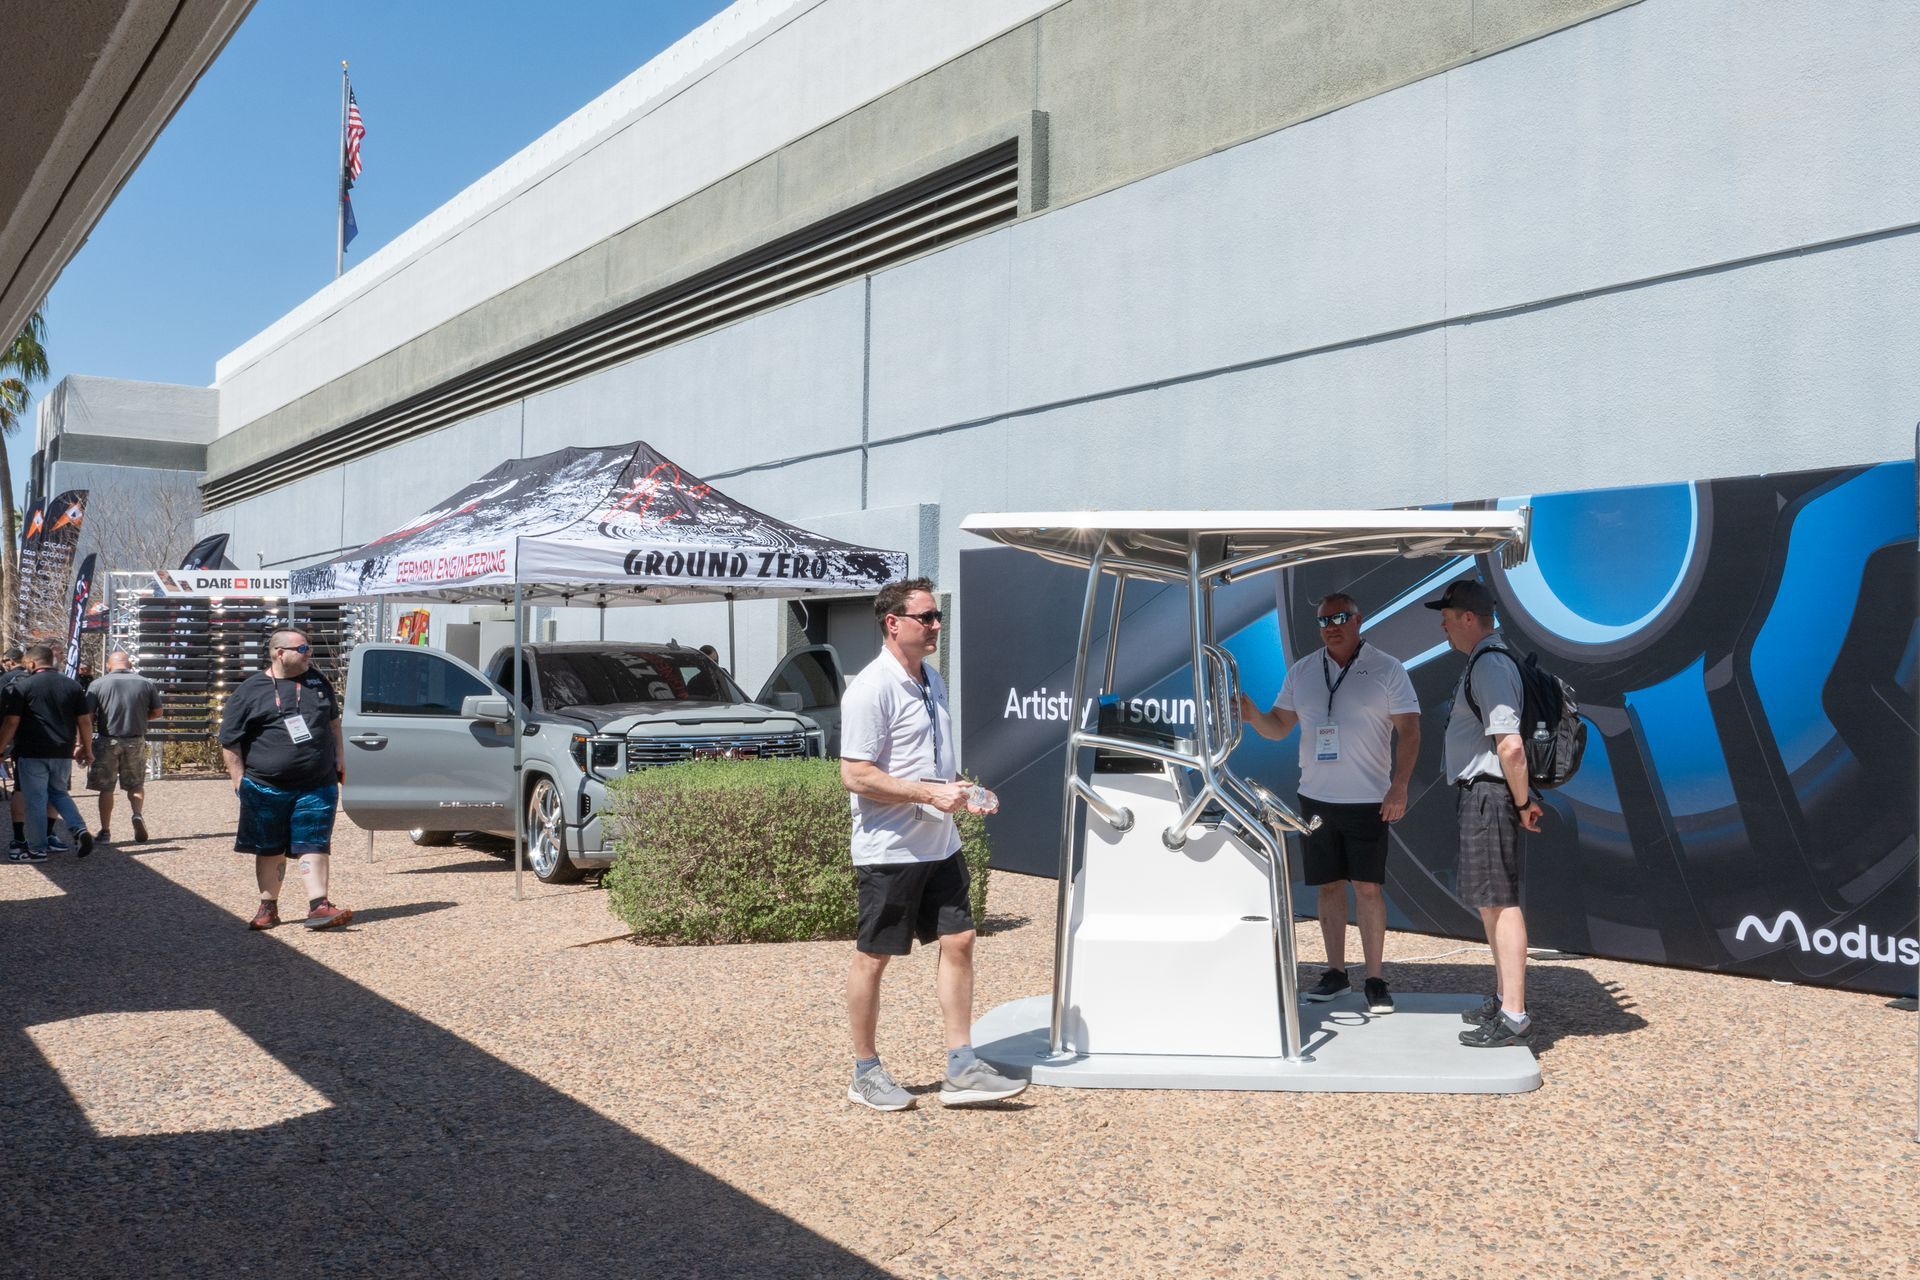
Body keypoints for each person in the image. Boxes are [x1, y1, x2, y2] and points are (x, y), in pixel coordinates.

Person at [838, 578, 1025, 1111]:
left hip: (938, 843)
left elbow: (929, 763)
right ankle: (865, 1071)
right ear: (893, 623)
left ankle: (962, 1065)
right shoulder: (870, 689)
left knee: (960, 940)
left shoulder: (931, 679)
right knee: (874, 958)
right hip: (889, 850)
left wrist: (959, 792)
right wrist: (927, 792)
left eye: (937, 617)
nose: (936, 625)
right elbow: (856, 775)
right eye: (926, 617)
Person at [1240, 592, 1419, 1014]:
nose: (1331, 626)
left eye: (1340, 617)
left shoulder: (1388, 669)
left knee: (1369, 889)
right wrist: (1252, 716)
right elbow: (1279, 726)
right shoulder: (1303, 671)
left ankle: (1375, 978)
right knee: (1328, 886)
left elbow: (1410, 732)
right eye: (1324, 620)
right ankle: (1336, 974)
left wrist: (1400, 787)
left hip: (1369, 799)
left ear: (1359, 619)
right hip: (1317, 797)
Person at [1426, 578, 1544, 1049]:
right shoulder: (1486, 660)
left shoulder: (1490, 664)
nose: (1443, 626)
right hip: (1487, 795)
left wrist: (1520, 803)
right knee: (1490, 901)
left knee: (1501, 900)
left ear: (1469, 618)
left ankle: (1515, 1015)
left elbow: (1510, 747)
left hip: (1491, 795)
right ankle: (1503, 1000)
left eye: (1448, 618)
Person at [219, 628, 351, 930]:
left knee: (314, 843)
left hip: (317, 783)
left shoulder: (318, 681)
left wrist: (340, 757)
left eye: (309, 648)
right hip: (266, 786)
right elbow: (230, 740)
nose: (310, 654)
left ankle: (319, 906)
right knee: (269, 848)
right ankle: (268, 907)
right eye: (303, 648)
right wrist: (238, 781)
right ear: (280, 653)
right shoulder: (250, 691)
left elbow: (333, 722)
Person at [0, 646, 94, 863]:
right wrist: (86, 748)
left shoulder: (23, 687)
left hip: (31, 751)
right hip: (62, 751)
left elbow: (11, 723)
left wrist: (1, 749)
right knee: (59, 794)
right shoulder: (73, 686)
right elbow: (85, 721)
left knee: (35, 800)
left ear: (32, 664)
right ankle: (79, 829)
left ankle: (36, 849)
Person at [87, 650, 164, 843]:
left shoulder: (97, 684)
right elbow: (158, 711)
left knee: (106, 788)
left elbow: (88, 716)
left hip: (107, 740)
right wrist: (141, 718)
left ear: (108, 665)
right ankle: (137, 814)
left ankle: (105, 831)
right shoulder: (146, 683)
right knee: (136, 784)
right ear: (129, 664)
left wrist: (83, 743)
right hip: (135, 739)